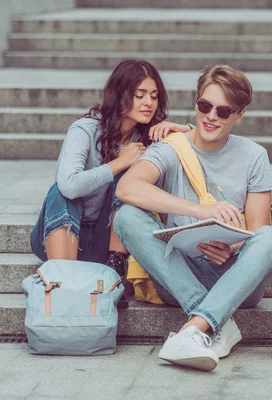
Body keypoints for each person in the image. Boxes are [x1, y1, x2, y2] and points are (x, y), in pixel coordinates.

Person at [114, 65, 272, 371]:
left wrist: (233, 248)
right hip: (179, 273)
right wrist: (199, 210)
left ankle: (194, 327)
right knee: (126, 217)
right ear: (196, 103)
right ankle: (213, 322)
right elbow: (127, 187)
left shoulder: (253, 155)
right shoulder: (172, 148)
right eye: (205, 106)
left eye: (223, 111)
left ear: (239, 114)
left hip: (235, 275)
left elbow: (259, 230)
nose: (211, 116)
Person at [30, 59, 169, 308]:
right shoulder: (84, 129)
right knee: (60, 193)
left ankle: (115, 270)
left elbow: (195, 147)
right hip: (65, 235)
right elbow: (69, 185)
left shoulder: (148, 137)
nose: (149, 102)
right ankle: (65, 282)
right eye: (140, 95)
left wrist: (180, 128)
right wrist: (119, 162)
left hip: (105, 245)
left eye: (154, 96)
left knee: (128, 183)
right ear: (119, 94)